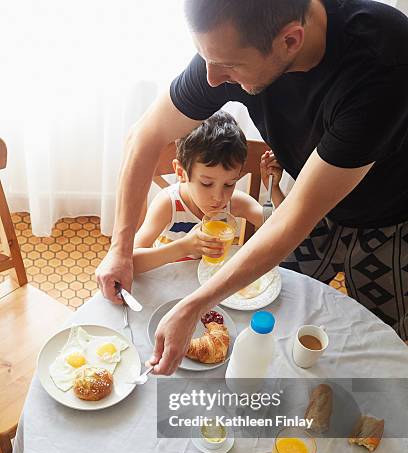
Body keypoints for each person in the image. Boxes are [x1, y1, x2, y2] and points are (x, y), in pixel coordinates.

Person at [96, 0, 408, 374]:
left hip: (390, 216)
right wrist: (121, 248)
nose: (211, 78)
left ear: (290, 41)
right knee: (276, 303)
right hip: (308, 203)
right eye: (205, 57)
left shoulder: (382, 61)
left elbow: (292, 218)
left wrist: (193, 305)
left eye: (228, 65)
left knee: (382, 340)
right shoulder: (231, 43)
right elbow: (144, 136)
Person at [131, 111, 284, 274]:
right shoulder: (169, 204)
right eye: (206, 183)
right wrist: (184, 247)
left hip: (210, 285)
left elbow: (282, 228)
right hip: (170, 284)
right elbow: (131, 261)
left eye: (229, 184)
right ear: (181, 173)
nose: (219, 198)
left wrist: (273, 189)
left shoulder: (234, 203)